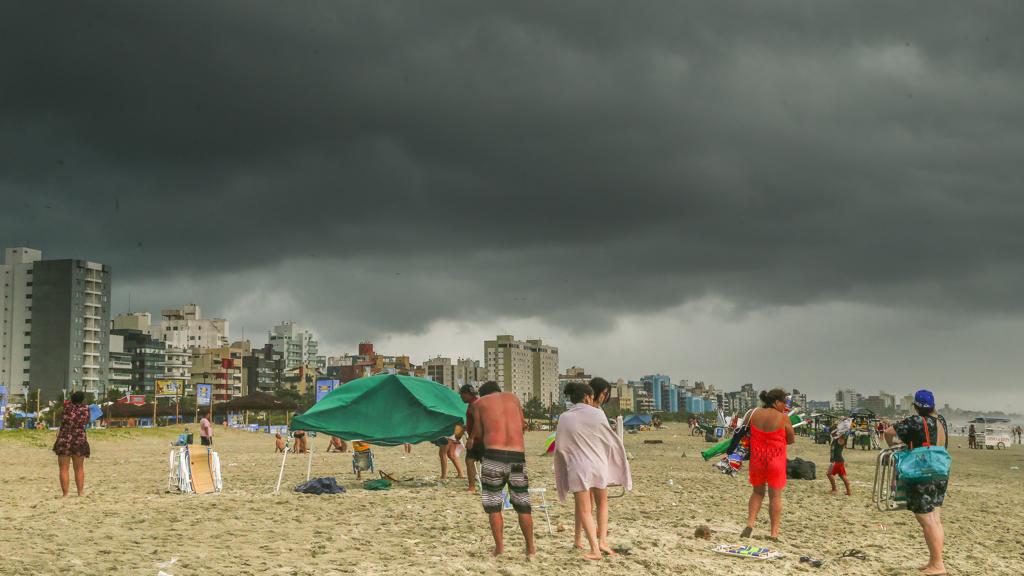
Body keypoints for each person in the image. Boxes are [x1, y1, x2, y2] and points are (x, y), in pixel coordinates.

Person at [555, 381, 632, 560]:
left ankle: (594, 549)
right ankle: (603, 541)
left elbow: (560, 447)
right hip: (599, 465)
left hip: (578, 467)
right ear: (587, 397)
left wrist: (563, 466)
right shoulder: (598, 414)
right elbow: (609, 439)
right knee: (602, 504)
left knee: (584, 509)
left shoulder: (564, 417)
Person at [883, 390, 949, 576]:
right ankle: (934, 560)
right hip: (941, 470)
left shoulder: (915, 421)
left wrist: (893, 446)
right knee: (935, 518)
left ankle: (938, 564)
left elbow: (889, 432)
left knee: (926, 519)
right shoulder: (941, 420)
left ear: (916, 406)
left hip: (922, 471)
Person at [468, 380, 535, 557]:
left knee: (494, 505)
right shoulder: (513, 398)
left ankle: (499, 549)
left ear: (483, 394)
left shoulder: (478, 404)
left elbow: (480, 433)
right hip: (517, 457)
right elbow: (522, 425)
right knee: (523, 505)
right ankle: (530, 549)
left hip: (493, 456)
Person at [741, 388, 795, 541]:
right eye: (784, 402)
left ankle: (750, 524)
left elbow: (742, 430)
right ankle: (774, 533)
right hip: (775, 459)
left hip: (757, 459)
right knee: (775, 496)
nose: (786, 406)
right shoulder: (783, 418)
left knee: (757, 492)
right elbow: (791, 439)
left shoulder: (754, 413)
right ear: (776, 402)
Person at [53, 391, 91, 497]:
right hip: (79, 439)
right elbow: (87, 420)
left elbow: (64, 410)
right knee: (79, 468)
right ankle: (80, 492)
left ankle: (65, 494)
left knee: (63, 468)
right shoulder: (86, 409)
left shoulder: (66, 408)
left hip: (64, 439)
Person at [460, 383, 482, 492]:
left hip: (478, 439)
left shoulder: (474, 405)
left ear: (467, 394)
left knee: (470, 461)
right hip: (480, 438)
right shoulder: (476, 403)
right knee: (470, 460)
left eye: (462, 395)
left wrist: (471, 438)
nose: (461, 397)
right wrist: (465, 427)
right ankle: (472, 486)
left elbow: (478, 423)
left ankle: (472, 487)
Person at [827, 426, 851, 496]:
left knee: (829, 474)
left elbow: (832, 450)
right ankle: (848, 492)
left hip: (836, 461)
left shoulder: (839, 439)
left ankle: (834, 489)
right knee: (842, 476)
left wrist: (839, 428)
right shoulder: (839, 439)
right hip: (839, 460)